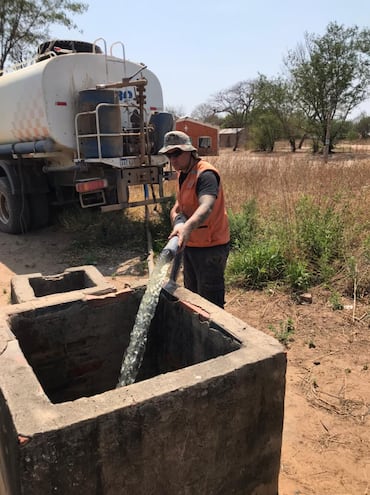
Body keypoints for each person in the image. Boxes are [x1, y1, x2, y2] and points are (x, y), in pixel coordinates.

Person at [159, 131, 230, 308]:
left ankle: (213, 334)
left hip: (210, 248)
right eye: (169, 155)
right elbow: (180, 203)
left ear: (190, 151)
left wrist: (187, 227)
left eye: (176, 154)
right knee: (192, 295)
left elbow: (206, 206)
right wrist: (176, 218)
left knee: (210, 303)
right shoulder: (184, 173)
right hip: (190, 244)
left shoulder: (205, 174)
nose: (172, 160)